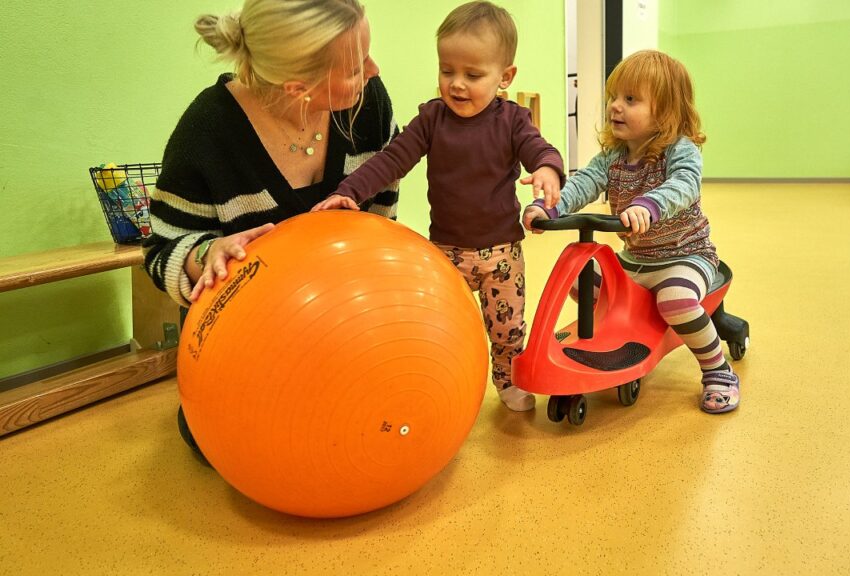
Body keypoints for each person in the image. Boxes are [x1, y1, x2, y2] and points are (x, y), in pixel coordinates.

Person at [143, 0, 400, 458]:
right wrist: (206, 254)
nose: (375, 70)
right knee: (239, 445)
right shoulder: (208, 131)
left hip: (344, 324)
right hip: (250, 340)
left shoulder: (369, 105)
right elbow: (161, 247)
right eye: (357, 65)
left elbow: (381, 219)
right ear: (298, 87)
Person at [312, 1, 565, 412]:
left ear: (505, 77)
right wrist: (350, 191)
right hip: (444, 253)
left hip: (501, 253)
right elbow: (391, 159)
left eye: (473, 74)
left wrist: (548, 170)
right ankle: (438, 386)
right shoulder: (433, 120)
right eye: (447, 71)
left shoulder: (513, 121)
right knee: (439, 328)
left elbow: (541, 149)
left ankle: (508, 381)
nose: (457, 84)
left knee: (506, 331)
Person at [522, 50, 741, 414]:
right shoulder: (613, 156)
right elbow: (585, 183)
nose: (615, 107)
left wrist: (649, 205)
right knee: (578, 280)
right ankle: (626, 330)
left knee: (675, 300)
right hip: (635, 259)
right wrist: (550, 207)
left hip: (685, 255)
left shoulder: (679, 151)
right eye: (613, 97)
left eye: (630, 99)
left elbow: (685, 185)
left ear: (666, 112)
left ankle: (717, 369)